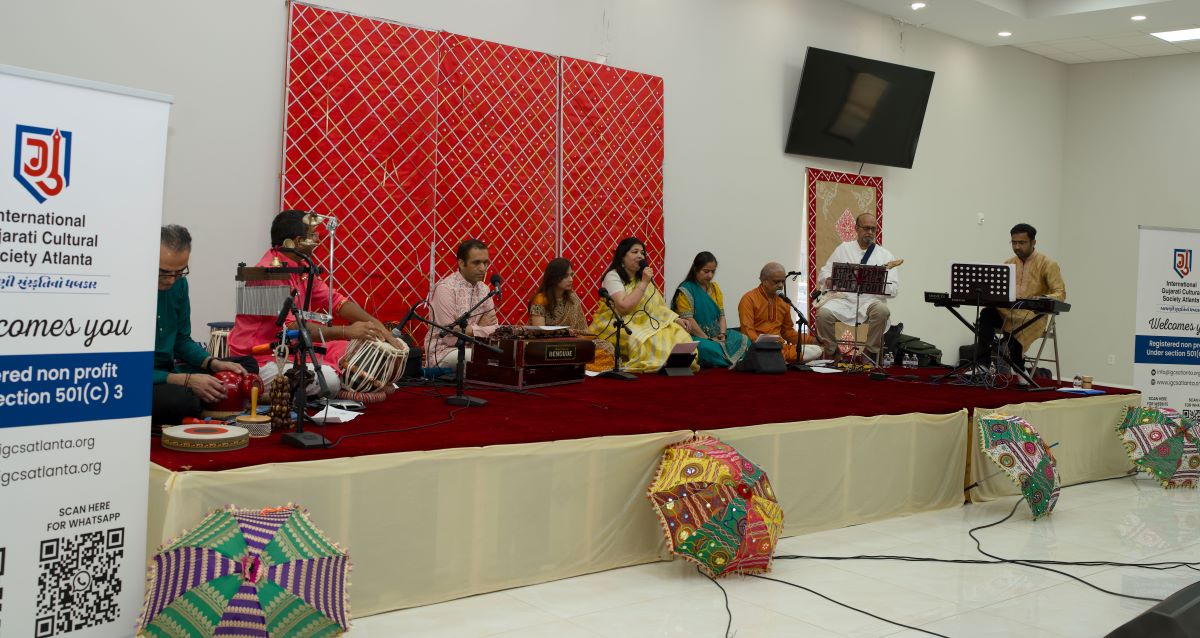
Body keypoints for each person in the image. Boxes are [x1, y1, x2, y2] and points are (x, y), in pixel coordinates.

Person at [227, 210, 398, 396]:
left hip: (294, 350)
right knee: (329, 379)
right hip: (259, 359)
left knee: (359, 349)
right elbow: (290, 328)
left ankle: (345, 380)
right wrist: (346, 331)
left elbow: (335, 301)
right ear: (296, 241)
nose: (318, 238)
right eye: (312, 234)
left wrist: (376, 324)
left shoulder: (302, 267)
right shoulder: (265, 273)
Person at [153, 225, 257, 428]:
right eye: (164, 272)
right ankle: (215, 401)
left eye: (179, 272)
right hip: (144, 379)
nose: (172, 280)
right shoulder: (129, 288)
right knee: (183, 400)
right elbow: (126, 368)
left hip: (174, 370)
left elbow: (181, 340)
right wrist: (186, 380)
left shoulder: (180, 284)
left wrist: (213, 363)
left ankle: (210, 399)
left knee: (246, 366)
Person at [588, 237, 696, 373]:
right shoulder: (613, 276)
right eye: (635, 252)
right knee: (644, 339)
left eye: (642, 253)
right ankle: (658, 365)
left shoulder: (642, 278)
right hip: (617, 322)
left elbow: (658, 307)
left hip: (645, 322)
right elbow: (623, 307)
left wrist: (676, 320)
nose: (640, 256)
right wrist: (644, 283)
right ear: (622, 257)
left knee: (678, 333)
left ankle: (671, 366)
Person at [977, 223, 1066, 370]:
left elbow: (1060, 292)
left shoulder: (1048, 264)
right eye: (1014, 242)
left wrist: (1043, 298)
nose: (1017, 247)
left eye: (1022, 243)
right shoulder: (1008, 263)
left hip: (1032, 316)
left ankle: (1019, 369)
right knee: (986, 314)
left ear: (1033, 242)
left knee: (1019, 328)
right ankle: (982, 365)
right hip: (1007, 313)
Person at [814, 213, 899, 362]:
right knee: (823, 314)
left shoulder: (885, 255)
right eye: (866, 228)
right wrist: (828, 280)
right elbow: (824, 272)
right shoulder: (843, 249)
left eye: (873, 229)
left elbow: (894, 289)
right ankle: (833, 352)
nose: (870, 232)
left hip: (870, 301)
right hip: (844, 300)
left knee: (882, 311)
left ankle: (869, 353)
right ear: (856, 229)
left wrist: (877, 283)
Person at [528, 257, 616, 372]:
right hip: (550, 345)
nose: (571, 279)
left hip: (573, 342)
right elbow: (539, 332)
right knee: (562, 352)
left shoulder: (572, 298)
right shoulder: (540, 299)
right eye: (566, 276)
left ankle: (572, 364)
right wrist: (563, 334)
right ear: (554, 277)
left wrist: (576, 338)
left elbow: (581, 330)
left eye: (571, 275)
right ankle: (573, 364)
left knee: (606, 347)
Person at [426, 238, 500, 367]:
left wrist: (468, 331)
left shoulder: (485, 290)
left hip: (475, 348)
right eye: (476, 263)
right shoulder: (446, 289)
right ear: (461, 263)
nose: (483, 268)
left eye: (485, 263)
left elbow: (495, 329)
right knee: (488, 358)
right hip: (443, 353)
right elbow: (450, 337)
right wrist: (478, 329)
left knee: (502, 355)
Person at [672, 252, 749, 368]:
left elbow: (722, 316)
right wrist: (708, 339)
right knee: (705, 348)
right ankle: (734, 361)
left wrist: (722, 334)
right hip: (697, 336)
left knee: (744, 339)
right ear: (695, 269)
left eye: (713, 271)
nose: (710, 275)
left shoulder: (715, 288)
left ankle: (726, 360)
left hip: (717, 334)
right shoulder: (685, 291)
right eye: (706, 271)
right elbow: (689, 320)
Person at [737, 262, 804, 363]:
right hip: (757, 347)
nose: (781, 285)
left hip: (778, 347)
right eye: (776, 282)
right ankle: (778, 358)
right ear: (764, 281)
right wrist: (763, 347)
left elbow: (787, 331)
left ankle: (779, 357)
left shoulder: (784, 301)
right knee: (796, 354)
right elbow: (748, 331)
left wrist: (814, 340)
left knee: (815, 350)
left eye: (783, 281)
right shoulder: (749, 299)